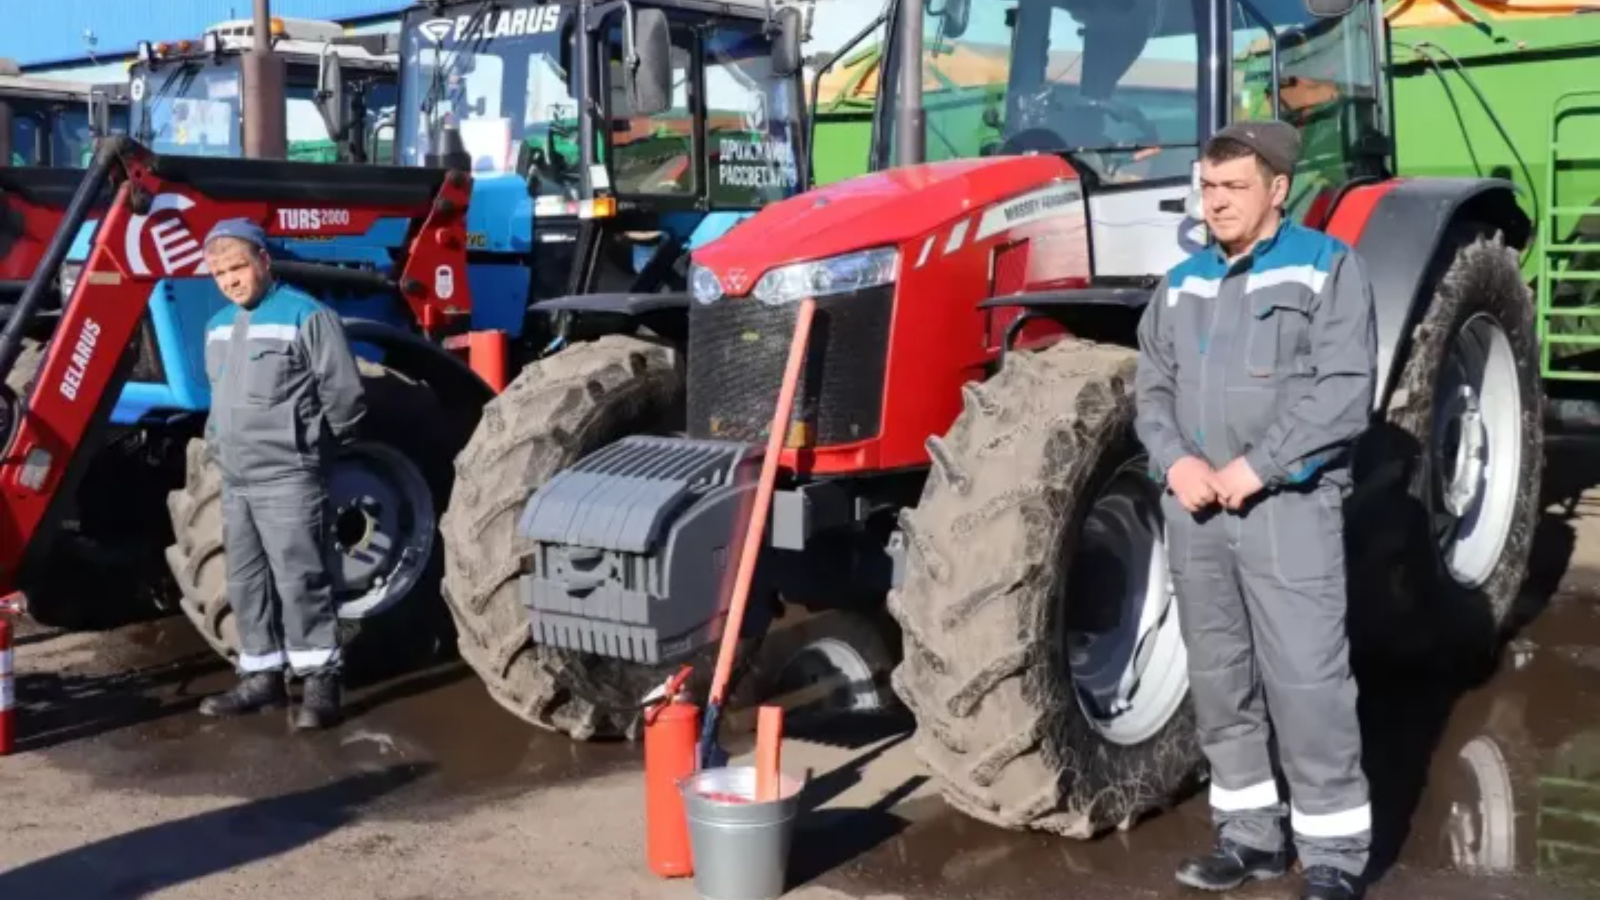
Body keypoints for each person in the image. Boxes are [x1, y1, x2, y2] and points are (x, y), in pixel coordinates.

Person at [1133, 121, 1378, 900]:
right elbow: (1151, 390)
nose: (1216, 203)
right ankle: (1249, 838)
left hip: (1288, 507)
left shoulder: (1326, 268)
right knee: (1219, 679)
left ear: (1278, 190)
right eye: (1207, 187)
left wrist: (1259, 466)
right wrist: (1176, 462)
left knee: (1307, 681)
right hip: (1197, 512)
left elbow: (1344, 392)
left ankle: (1333, 854)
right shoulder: (1181, 284)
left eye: (1234, 187)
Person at [196, 218, 366, 731]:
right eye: (220, 273)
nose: (231, 280)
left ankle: (320, 682)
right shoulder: (218, 326)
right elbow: (218, 396)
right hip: (236, 479)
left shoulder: (307, 316)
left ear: (264, 261)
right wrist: (216, 445)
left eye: (238, 267)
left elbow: (345, 395)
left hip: (288, 475)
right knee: (246, 580)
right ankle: (261, 677)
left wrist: (317, 449)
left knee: (300, 578)